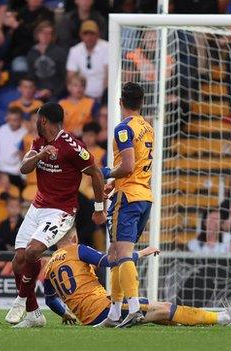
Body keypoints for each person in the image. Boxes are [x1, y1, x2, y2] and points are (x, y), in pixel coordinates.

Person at [5, 102, 106, 328]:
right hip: (37, 208)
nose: (34, 124)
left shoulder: (72, 147)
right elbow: (24, 168)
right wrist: (41, 154)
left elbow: (97, 174)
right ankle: (34, 315)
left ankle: (22, 299)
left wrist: (99, 209)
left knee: (33, 252)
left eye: (36, 120)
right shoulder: (38, 142)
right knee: (17, 263)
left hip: (60, 211)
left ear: (43, 121)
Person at [43, 230, 231, 327]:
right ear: (75, 238)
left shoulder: (49, 266)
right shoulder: (77, 249)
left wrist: (66, 313)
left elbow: (50, 300)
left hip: (89, 317)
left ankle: (192, 321)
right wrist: (145, 252)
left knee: (155, 313)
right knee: (164, 307)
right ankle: (223, 318)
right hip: (103, 310)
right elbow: (111, 262)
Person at [98, 82, 154, 328]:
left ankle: (132, 308)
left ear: (121, 102)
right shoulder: (147, 127)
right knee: (115, 253)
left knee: (121, 254)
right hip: (143, 196)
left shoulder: (123, 128)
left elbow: (128, 165)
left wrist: (107, 173)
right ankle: (113, 313)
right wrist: (115, 182)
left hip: (128, 197)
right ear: (141, 102)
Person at [65, 20, 108, 100]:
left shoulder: (107, 47)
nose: (89, 37)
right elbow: (71, 76)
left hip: (103, 96)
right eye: (86, 34)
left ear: (98, 34)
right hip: (81, 97)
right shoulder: (74, 50)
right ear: (81, 35)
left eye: (92, 34)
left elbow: (108, 75)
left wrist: (105, 97)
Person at [26, 21, 67, 101]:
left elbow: (65, 78)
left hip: (55, 94)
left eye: (49, 33)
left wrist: (52, 92)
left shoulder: (60, 52)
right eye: (43, 32)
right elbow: (31, 77)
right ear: (37, 34)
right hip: (36, 93)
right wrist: (36, 91)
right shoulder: (32, 53)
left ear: (52, 36)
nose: (45, 36)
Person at [0, 106, 27, 190]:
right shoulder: (1, 129)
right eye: (9, 120)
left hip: (15, 173)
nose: (12, 123)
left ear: (21, 120)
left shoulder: (25, 134)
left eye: (15, 120)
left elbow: (24, 159)